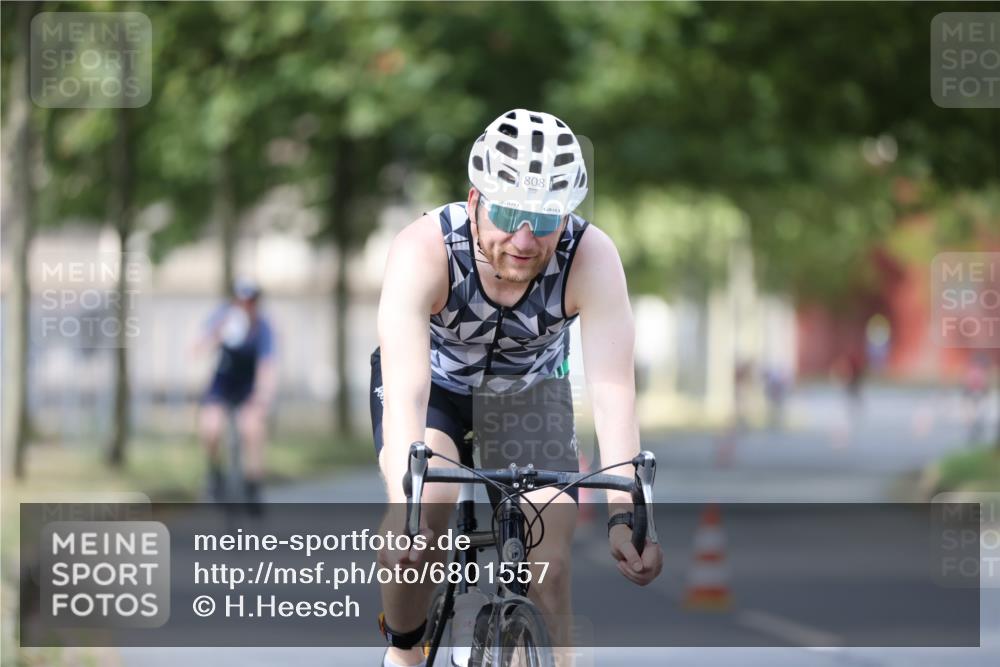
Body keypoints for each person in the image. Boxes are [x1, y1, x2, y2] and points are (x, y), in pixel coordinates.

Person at [371, 109, 663, 667]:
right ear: (476, 199)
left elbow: (612, 392)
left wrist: (627, 517)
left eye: (547, 219)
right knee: (423, 518)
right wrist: (404, 506)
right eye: (508, 213)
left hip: (530, 394)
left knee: (548, 572)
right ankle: (406, 653)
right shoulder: (425, 249)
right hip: (436, 388)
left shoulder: (591, 256)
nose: (525, 239)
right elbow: (405, 390)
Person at [195, 280, 277, 511]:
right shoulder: (221, 318)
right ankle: (215, 475)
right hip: (222, 382)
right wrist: (216, 335)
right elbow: (195, 350)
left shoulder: (263, 327)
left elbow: (267, 366)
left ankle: (253, 485)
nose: (245, 307)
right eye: (241, 301)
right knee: (210, 427)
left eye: (250, 302)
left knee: (252, 427)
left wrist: (262, 397)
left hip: (247, 384)